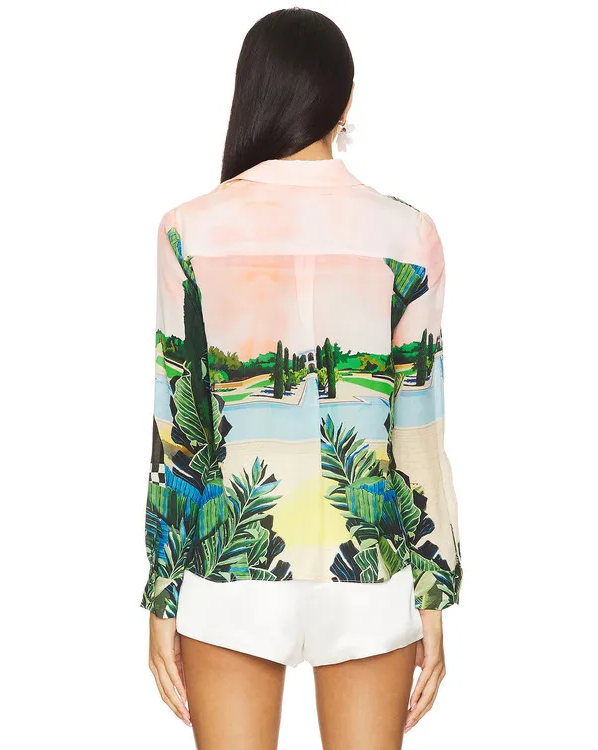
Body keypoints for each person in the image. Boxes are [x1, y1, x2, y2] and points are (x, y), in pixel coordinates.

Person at [140, 8, 462, 749]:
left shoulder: (188, 229)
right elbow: (419, 429)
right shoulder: (408, 232)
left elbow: (178, 428)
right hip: (370, 567)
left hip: (232, 562)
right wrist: (434, 588)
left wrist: (162, 592)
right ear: (344, 102)